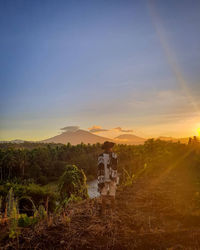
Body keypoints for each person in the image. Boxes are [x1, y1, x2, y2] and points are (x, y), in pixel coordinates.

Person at [97, 141, 118, 215]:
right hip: (106, 178)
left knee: (107, 196)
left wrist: (100, 179)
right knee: (108, 196)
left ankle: (107, 212)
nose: (111, 149)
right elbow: (100, 168)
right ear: (109, 148)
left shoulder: (112, 156)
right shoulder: (113, 156)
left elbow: (115, 167)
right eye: (110, 147)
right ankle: (110, 212)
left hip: (107, 178)